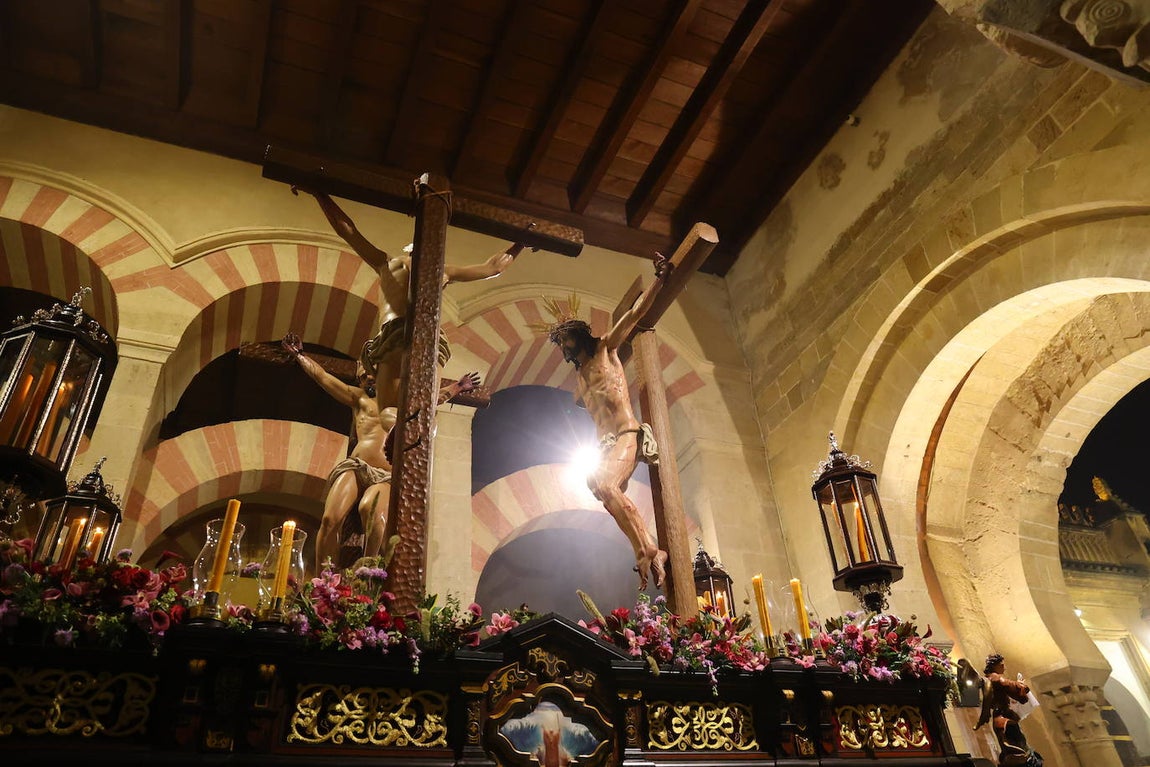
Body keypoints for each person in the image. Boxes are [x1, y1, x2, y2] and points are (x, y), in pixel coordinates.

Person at [293, 186, 530, 412]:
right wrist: (521, 241)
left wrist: (320, 195)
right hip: (429, 339)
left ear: (408, 249)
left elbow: (348, 230)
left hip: (394, 339)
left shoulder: (387, 264)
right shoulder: (442, 271)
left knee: (389, 414)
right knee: (422, 414)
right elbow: (493, 268)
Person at [282, 332, 478, 571]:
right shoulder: (360, 399)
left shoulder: (402, 405)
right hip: (357, 466)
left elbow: (433, 399)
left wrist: (457, 386)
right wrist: (300, 356)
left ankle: (367, 574)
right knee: (329, 518)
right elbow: (323, 378)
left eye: (372, 373)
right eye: (363, 375)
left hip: (386, 475)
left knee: (372, 515)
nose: (368, 378)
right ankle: (323, 581)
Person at [539, 253, 674, 590]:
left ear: (578, 335)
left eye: (565, 340)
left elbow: (635, 313)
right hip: (603, 445)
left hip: (626, 432)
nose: (564, 348)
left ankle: (649, 549)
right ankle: (643, 549)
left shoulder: (605, 350)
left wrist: (660, 279)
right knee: (600, 487)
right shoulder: (579, 381)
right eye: (560, 345)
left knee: (608, 486)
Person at [974, 653, 1044, 767]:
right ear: (994, 666)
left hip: (1002, 716)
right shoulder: (995, 678)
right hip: (1004, 718)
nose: (1004, 667)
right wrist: (1020, 686)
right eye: (1001, 665)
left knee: (1015, 746)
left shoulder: (990, 678)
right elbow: (1008, 685)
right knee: (1018, 747)